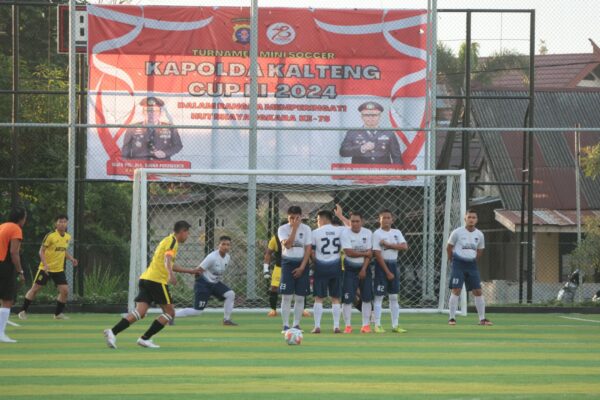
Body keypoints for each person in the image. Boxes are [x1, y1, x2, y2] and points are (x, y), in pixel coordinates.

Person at [103, 221, 197, 349]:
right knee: (170, 313)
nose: (188, 236)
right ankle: (144, 338)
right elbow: (167, 260)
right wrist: (170, 274)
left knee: (140, 312)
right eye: (188, 233)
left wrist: (189, 271)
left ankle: (112, 332)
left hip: (146, 279)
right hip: (157, 281)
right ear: (183, 231)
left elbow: (168, 263)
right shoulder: (173, 242)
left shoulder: (166, 240)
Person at [18, 215, 78, 320]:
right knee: (35, 289)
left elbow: (63, 251)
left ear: (67, 223)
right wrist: (45, 265)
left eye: (64, 222)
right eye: (60, 221)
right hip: (45, 269)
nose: (62, 224)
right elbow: (41, 251)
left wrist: (71, 258)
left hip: (58, 270)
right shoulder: (50, 236)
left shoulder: (68, 237)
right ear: (56, 223)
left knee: (65, 291)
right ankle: (23, 311)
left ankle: (58, 314)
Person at [175, 236, 238, 326]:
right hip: (204, 284)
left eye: (228, 245)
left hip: (215, 284)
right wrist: (200, 284)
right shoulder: (212, 257)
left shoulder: (227, 257)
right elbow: (198, 270)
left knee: (230, 294)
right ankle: (171, 315)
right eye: (223, 244)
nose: (225, 247)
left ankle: (226, 320)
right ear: (218, 245)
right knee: (197, 311)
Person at [447, 209, 492, 326]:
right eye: (469, 217)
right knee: (456, 289)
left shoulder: (479, 234)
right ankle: (452, 318)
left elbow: (480, 250)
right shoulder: (457, 232)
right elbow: (449, 247)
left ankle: (482, 319)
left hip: (471, 265)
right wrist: (451, 259)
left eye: (474, 217)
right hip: (458, 264)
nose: (471, 219)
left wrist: (474, 260)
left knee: (478, 291)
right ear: (465, 218)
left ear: (477, 220)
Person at [372, 209, 408, 333]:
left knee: (394, 296)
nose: (386, 220)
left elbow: (404, 246)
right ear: (379, 219)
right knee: (379, 296)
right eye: (384, 217)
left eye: (388, 217)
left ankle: (395, 325)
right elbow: (377, 254)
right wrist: (387, 271)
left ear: (392, 220)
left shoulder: (397, 232)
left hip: (394, 264)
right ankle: (377, 324)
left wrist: (388, 245)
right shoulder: (377, 234)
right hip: (382, 267)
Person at [278, 206, 312, 333]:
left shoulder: (307, 229)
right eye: (291, 217)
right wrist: (294, 228)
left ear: (301, 216)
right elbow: (287, 245)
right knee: (286, 296)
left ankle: (296, 325)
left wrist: (302, 267)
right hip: (288, 262)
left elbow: (308, 249)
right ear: (287, 217)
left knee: (300, 297)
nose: (293, 220)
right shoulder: (282, 229)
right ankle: (286, 325)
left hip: (302, 263)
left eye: (296, 217)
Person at [310, 209, 345, 334]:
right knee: (336, 298)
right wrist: (341, 216)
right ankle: (336, 326)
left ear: (324, 219)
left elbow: (312, 252)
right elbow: (352, 227)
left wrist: (315, 262)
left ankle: (317, 326)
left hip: (321, 268)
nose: (317, 222)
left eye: (318, 220)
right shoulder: (340, 230)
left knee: (319, 298)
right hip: (336, 267)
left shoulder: (315, 233)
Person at [340, 211, 373, 334]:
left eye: (357, 221)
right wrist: (364, 253)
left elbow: (370, 254)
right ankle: (348, 326)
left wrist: (364, 269)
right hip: (349, 269)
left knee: (366, 298)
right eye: (352, 221)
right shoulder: (345, 233)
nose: (355, 223)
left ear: (362, 222)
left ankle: (366, 325)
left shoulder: (368, 233)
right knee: (347, 299)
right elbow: (349, 252)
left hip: (365, 268)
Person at [0, 207, 27, 343]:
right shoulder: (16, 229)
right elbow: (13, 253)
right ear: (21, 218)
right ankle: (1, 333)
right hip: (4, 264)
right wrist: (20, 271)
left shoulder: (3, 226)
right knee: (7, 300)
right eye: (25, 217)